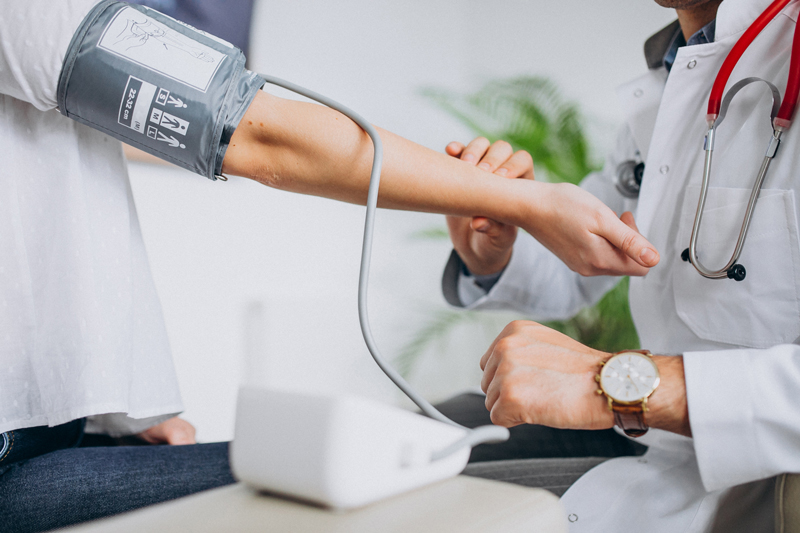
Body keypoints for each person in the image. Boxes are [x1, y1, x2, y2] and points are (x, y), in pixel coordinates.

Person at [0, 1, 660, 531]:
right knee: (383, 482)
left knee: (421, 449)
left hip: (50, 431)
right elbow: (257, 131)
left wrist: (100, 415)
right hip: (17, 454)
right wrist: (524, 199)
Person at [439, 0, 800, 530]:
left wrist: (623, 383)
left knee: (418, 505)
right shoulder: (679, 69)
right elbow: (596, 252)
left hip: (752, 464)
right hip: (647, 431)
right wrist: (494, 254)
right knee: (398, 440)